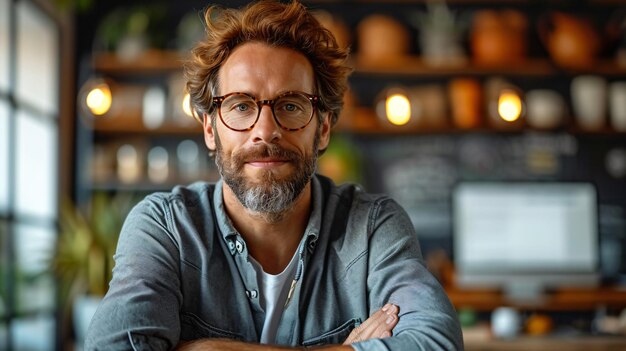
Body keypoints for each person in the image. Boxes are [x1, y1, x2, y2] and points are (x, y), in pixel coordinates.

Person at [85, 1, 463, 350]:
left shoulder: (373, 226)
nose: (265, 130)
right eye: (241, 105)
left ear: (324, 128)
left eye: (291, 105)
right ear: (210, 129)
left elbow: (436, 343)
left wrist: (208, 348)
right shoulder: (166, 227)